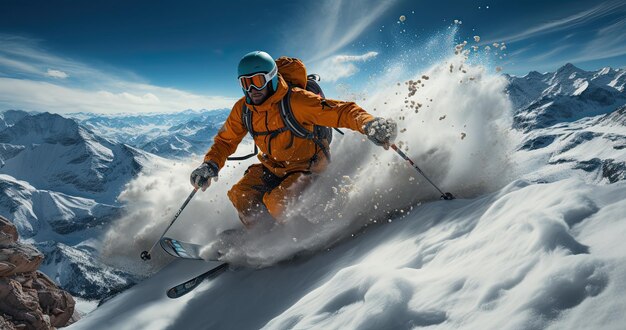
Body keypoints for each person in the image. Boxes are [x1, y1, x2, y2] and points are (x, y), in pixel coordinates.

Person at [190, 51, 397, 228]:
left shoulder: (297, 101)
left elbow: (342, 112)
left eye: (257, 81)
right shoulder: (243, 109)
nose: (251, 90)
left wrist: (369, 124)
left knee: (277, 202)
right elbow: (225, 141)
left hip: (308, 168)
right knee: (240, 194)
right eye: (245, 83)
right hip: (274, 166)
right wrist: (210, 164)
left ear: (271, 78)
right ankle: (261, 235)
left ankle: (297, 235)